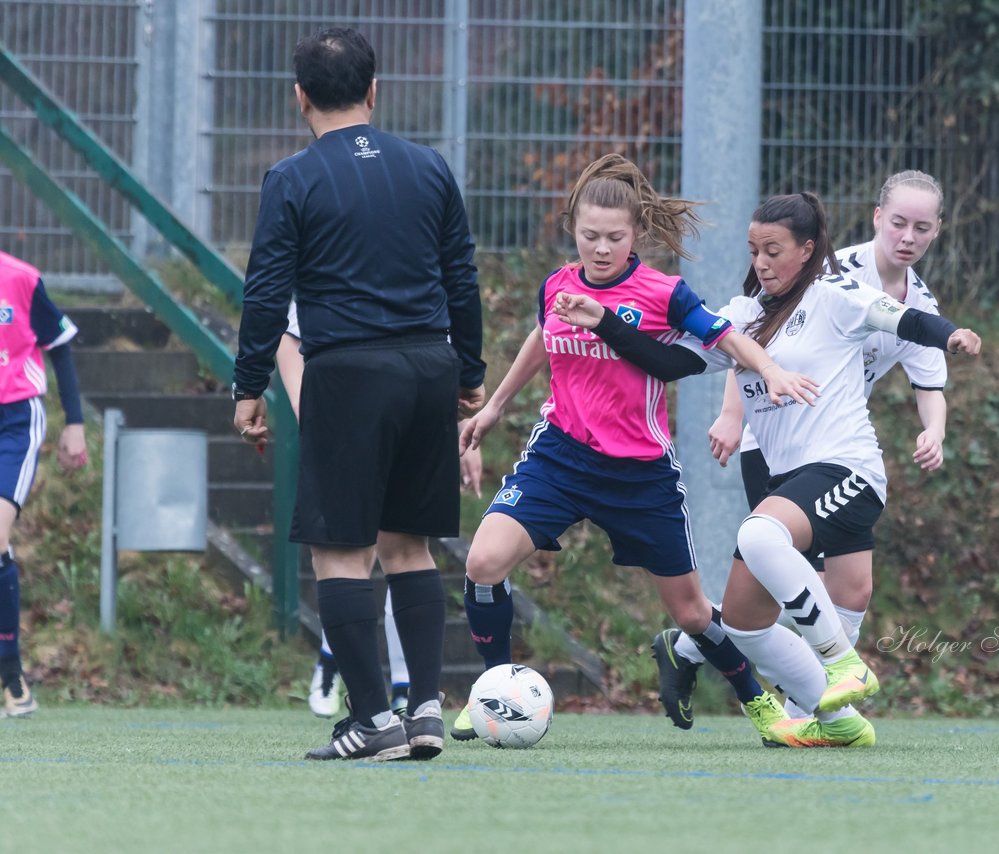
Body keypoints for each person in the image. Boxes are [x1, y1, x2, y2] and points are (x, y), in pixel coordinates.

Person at [553, 191, 980, 746]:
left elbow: (906, 320)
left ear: (807, 250)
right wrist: (605, 322)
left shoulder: (835, 295)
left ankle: (842, 665)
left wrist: (951, 334)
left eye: (773, 250)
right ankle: (839, 722)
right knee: (744, 621)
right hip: (791, 480)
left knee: (760, 534)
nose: (761, 262)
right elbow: (668, 361)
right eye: (754, 250)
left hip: (847, 470)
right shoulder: (744, 317)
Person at [452, 153, 819, 745]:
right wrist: (494, 405)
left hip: (640, 473)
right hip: (561, 458)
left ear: (637, 235)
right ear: (573, 228)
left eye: (614, 238)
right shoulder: (559, 284)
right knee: (483, 562)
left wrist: (770, 369)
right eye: (589, 235)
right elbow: (543, 335)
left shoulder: (661, 293)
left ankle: (760, 705)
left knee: (692, 613)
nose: (600, 248)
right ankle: (493, 687)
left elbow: (725, 337)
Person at [232, 27, 484, 762]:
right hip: (428, 367)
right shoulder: (430, 168)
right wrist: (468, 370)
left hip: (350, 373)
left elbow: (266, 293)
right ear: (375, 91)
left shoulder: (292, 177)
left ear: (299, 97)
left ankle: (373, 720)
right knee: (410, 545)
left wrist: (250, 385)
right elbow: (460, 279)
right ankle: (428, 710)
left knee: (341, 555)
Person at [653, 170, 952, 724]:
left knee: (846, 592)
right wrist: (730, 413)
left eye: (922, 227)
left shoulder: (915, 301)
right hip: (774, 445)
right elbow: (741, 340)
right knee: (782, 566)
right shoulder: (835, 270)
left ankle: (793, 696)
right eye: (899, 222)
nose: (907, 236)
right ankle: (820, 687)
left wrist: (933, 429)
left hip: (835, 444)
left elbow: (927, 372)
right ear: (876, 219)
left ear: (936, 232)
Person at [275, 301, 484, 718]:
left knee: (403, 546)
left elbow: (449, 334)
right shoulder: (333, 252)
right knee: (356, 549)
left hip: (415, 398)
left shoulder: (424, 250)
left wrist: (463, 428)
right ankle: (337, 665)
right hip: (348, 401)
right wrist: (309, 412)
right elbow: (286, 332)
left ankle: (409, 696)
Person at [0, 250, 89, 718]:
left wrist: (74, 423)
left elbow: (60, 345)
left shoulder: (21, 279)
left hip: (15, 420)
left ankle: (12, 679)